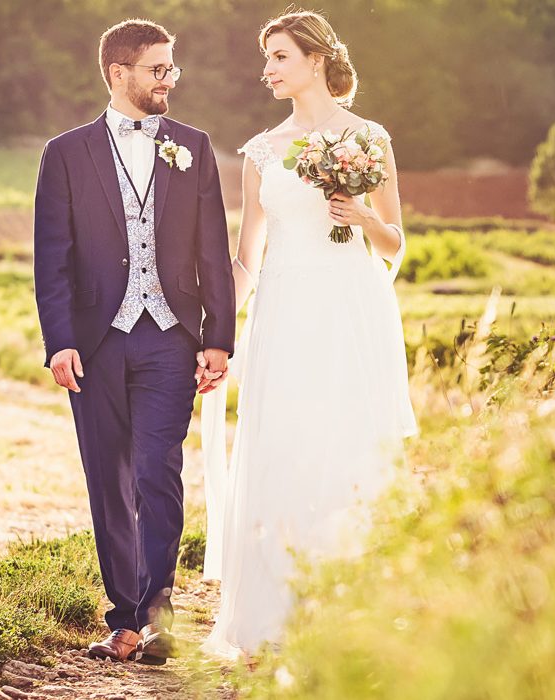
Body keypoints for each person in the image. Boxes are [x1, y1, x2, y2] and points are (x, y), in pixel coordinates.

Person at [198, 8, 418, 665]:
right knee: (282, 449)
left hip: (353, 311)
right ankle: (272, 621)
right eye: (266, 59)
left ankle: (351, 614)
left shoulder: (368, 137)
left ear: (316, 59)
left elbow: (395, 241)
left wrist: (359, 215)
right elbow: (247, 261)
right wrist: (214, 335)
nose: (266, 69)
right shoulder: (261, 153)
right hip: (285, 315)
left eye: (279, 57)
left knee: (349, 452)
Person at [32, 18, 235, 666]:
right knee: (107, 481)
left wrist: (217, 338)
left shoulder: (194, 147)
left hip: (170, 339)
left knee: (157, 472)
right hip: (94, 343)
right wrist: (59, 341)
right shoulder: (63, 155)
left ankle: (157, 615)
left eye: (171, 67)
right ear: (119, 74)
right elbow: (52, 258)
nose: (169, 78)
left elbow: (214, 249)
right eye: (158, 68)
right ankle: (122, 618)